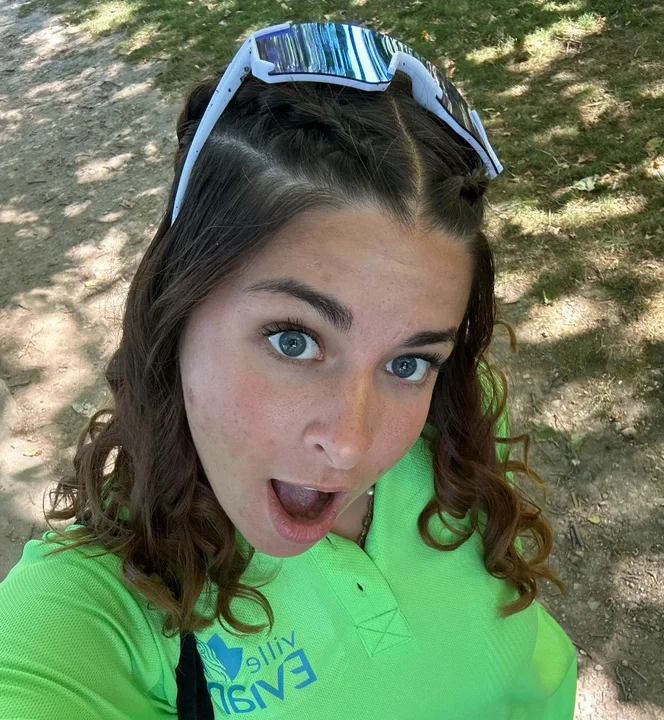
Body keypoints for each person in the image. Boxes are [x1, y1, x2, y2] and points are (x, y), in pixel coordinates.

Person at [0, 20, 577, 719]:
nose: (351, 444)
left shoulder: (461, 415)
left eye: (408, 361)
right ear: (176, 309)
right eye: (294, 341)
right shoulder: (94, 614)